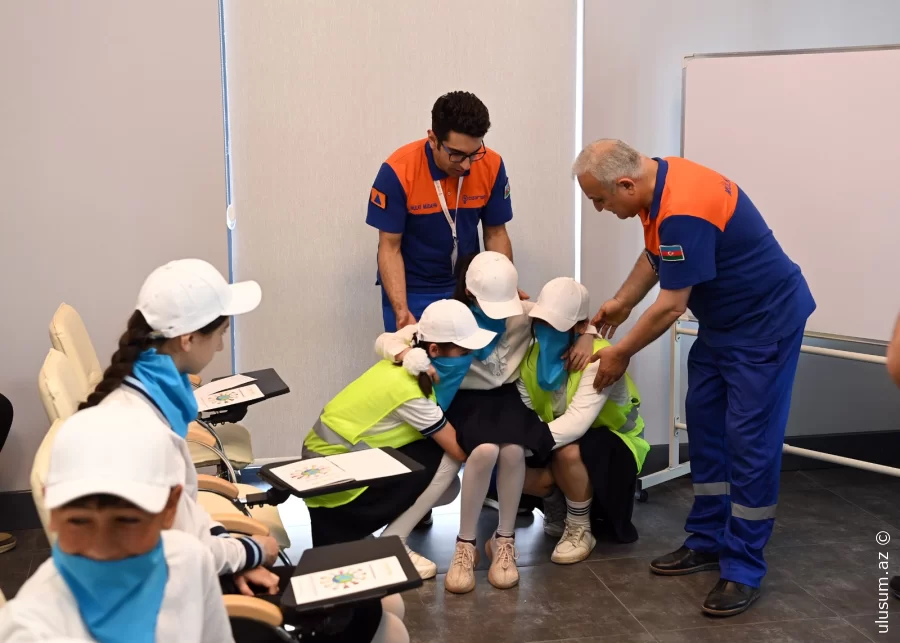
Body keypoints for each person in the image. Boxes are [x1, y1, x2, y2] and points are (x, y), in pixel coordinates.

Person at [573, 139, 815, 616]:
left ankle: (742, 565)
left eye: (600, 200)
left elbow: (670, 306)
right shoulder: (659, 180)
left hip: (764, 326)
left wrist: (620, 352)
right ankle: (707, 539)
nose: (601, 209)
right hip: (724, 324)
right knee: (705, 427)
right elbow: (654, 255)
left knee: (749, 443)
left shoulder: (684, 206)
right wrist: (622, 302)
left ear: (625, 184)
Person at [376, 252, 597, 594]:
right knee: (483, 451)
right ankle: (466, 544)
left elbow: (570, 316)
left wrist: (588, 334)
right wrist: (406, 354)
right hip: (465, 401)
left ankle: (504, 542)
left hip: (507, 398)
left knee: (511, 451)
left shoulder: (522, 313)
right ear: (469, 294)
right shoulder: (452, 317)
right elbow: (388, 339)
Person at [78, 258, 287, 599]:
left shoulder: (142, 396)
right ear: (188, 339)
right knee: (382, 611)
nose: (221, 347)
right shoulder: (141, 431)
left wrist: (231, 550)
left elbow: (183, 517)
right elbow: (174, 550)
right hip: (168, 603)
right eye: (220, 334)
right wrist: (253, 551)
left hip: (180, 578)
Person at [0, 404, 233, 642]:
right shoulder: (28, 632)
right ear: (51, 507)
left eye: (126, 521)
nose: (99, 550)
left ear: (170, 507)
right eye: (79, 521)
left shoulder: (190, 560)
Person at [302, 298, 492, 554]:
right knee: (447, 457)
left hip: (323, 468)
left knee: (445, 481)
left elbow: (388, 340)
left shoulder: (404, 362)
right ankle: (393, 543)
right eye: (464, 353)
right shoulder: (411, 393)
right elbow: (459, 451)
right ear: (434, 350)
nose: (469, 359)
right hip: (335, 485)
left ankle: (376, 538)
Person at [518, 277, 650, 565]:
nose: (546, 331)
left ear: (579, 327)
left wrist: (524, 444)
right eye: (542, 322)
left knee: (565, 450)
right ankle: (556, 507)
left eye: (557, 325)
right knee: (503, 459)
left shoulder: (601, 358)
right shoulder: (530, 357)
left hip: (613, 445)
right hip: (557, 439)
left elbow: (576, 424)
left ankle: (580, 528)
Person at [366, 91, 523, 332]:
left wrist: (504, 286)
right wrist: (401, 309)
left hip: (469, 287)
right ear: (433, 139)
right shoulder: (398, 171)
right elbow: (390, 247)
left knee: (473, 364)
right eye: (457, 154)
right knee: (414, 364)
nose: (467, 165)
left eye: (474, 153)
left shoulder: (491, 164)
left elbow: (496, 233)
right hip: (413, 290)